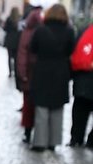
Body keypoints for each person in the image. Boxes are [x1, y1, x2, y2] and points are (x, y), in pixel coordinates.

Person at [29, 4, 75, 152]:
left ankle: (40, 142)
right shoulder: (69, 31)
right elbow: (71, 50)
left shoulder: (41, 29)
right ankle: (54, 141)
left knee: (42, 107)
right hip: (61, 71)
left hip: (42, 70)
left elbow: (33, 48)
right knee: (57, 107)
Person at [16, 6, 43, 144]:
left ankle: (33, 132)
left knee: (33, 105)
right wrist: (22, 72)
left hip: (36, 72)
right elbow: (22, 53)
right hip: (31, 73)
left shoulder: (31, 30)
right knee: (29, 105)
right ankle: (28, 132)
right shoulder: (29, 31)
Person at [68, 23, 93, 148]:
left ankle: (76, 138)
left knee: (79, 111)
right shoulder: (84, 30)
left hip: (82, 79)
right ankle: (88, 140)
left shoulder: (84, 30)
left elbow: (75, 52)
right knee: (79, 110)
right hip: (84, 79)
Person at [4, 7, 21, 78]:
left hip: (9, 40)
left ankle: (10, 72)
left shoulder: (9, 19)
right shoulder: (19, 19)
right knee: (16, 58)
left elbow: (5, 28)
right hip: (17, 40)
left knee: (9, 57)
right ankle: (16, 71)